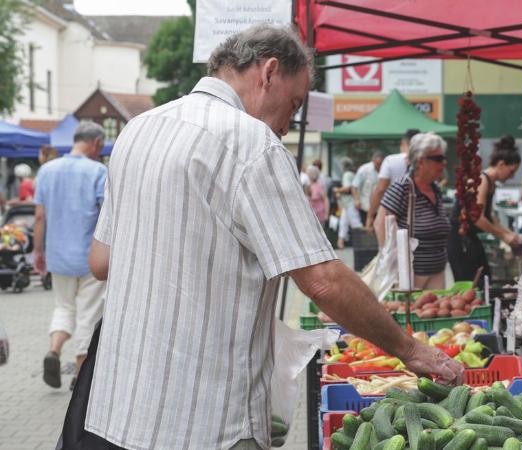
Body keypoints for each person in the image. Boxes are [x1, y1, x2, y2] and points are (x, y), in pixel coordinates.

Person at [81, 25, 462, 450]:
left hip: (118, 408)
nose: (287, 125)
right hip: (204, 422)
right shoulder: (251, 143)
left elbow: (101, 261)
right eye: (294, 105)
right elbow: (321, 281)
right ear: (269, 72)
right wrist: (408, 350)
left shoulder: (138, 130)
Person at [34, 121, 107, 389]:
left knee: (63, 307)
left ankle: (54, 350)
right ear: (96, 143)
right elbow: (105, 214)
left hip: (58, 254)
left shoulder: (46, 171)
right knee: (89, 312)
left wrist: (38, 250)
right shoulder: (98, 171)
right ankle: (79, 373)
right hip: (90, 256)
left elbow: (40, 216)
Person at [375, 132, 451, 290]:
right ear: (420, 161)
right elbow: (380, 224)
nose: (443, 163)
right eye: (438, 159)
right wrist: (396, 269)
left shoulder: (435, 189)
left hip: (437, 272)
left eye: (443, 158)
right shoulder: (403, 188)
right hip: (411, 279)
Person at [448, 136, 522, 282]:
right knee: (474, 280)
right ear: (501, 164)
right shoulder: (482, 180)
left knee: (483, 276)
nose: (511, 176)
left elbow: (489, 216)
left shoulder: (490, 182)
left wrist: (508, 233)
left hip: (468, 237)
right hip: (461, 238)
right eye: (511, 171)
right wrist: (503, 236)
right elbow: (477, 218)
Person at [366, 128, 420, 232]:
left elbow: (380, 189)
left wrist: (370, 216)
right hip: (420, 216)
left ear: (403, 143)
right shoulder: (425, 161)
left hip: (394, 216)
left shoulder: (391, 160)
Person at [335, 157, 362, 248]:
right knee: (344, 222)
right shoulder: (352, 174)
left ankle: (361, 242)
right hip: (348, 203)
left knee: (355, 222)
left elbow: (347, 188)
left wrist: (337, 190)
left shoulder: (347, 174)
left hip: (350, 202)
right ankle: (340, 242)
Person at [353, 151, 384, 223]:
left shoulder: (385, 169)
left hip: (379, 207)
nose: (379, 167)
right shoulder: (364, 169)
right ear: (373, 161)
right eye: (377, 164)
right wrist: (357, 200)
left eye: (380, 164)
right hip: (365, 206)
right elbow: (354, 186)